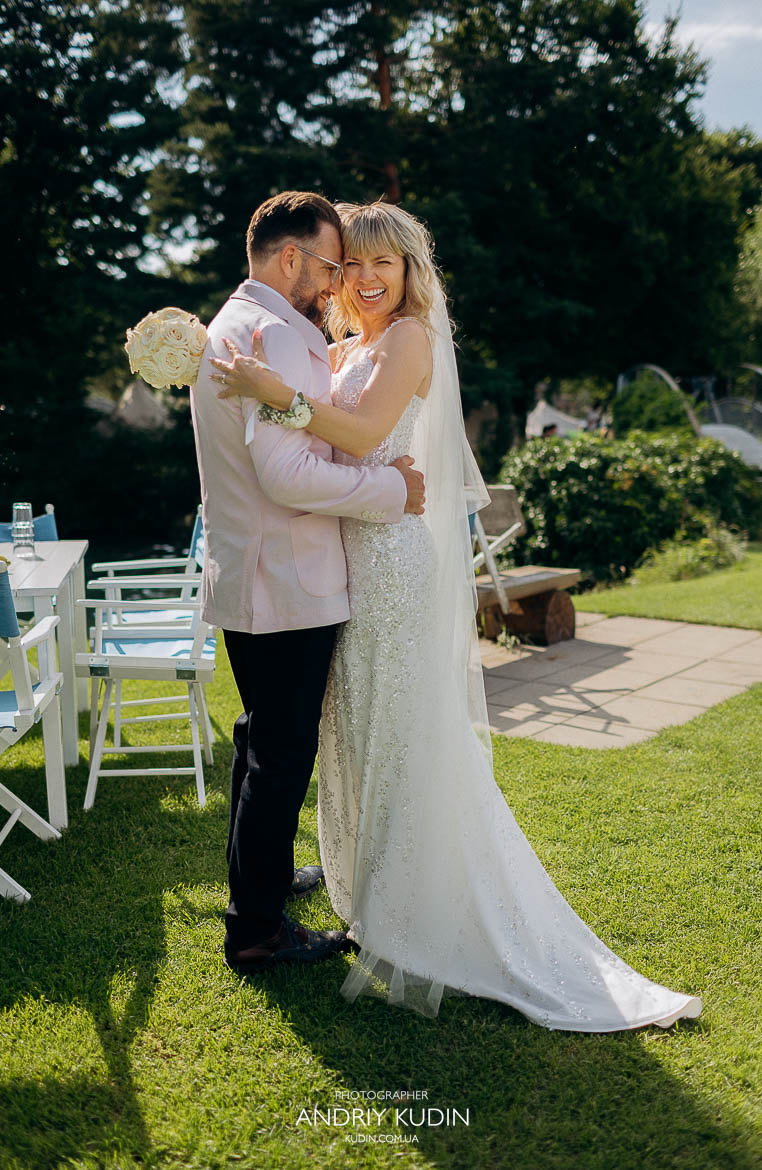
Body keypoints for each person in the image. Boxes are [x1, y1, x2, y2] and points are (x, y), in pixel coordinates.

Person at [211, 200, 702, 1032]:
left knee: (406, 730)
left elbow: (363, 432)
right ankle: (373, 888)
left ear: (410, 273)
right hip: (347, 564)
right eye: (352, 266)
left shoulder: (407, 339)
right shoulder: (341, 346)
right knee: (360, 729)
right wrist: (287, 389)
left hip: (393, 562)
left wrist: (276, 394)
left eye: (383, 266)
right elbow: (328, 442)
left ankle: (425, 907)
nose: (365, 280)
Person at [190, 191, 426, 975]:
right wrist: (389, 491)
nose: (335, 286)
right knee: (280, 753)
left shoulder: (227, 325)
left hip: (245, 574)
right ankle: (256, 929)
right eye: (330, 266)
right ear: (290, 257)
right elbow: (288, 475)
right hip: (287, 579)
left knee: (261, 741)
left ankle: (257, 884)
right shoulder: (280, 337)